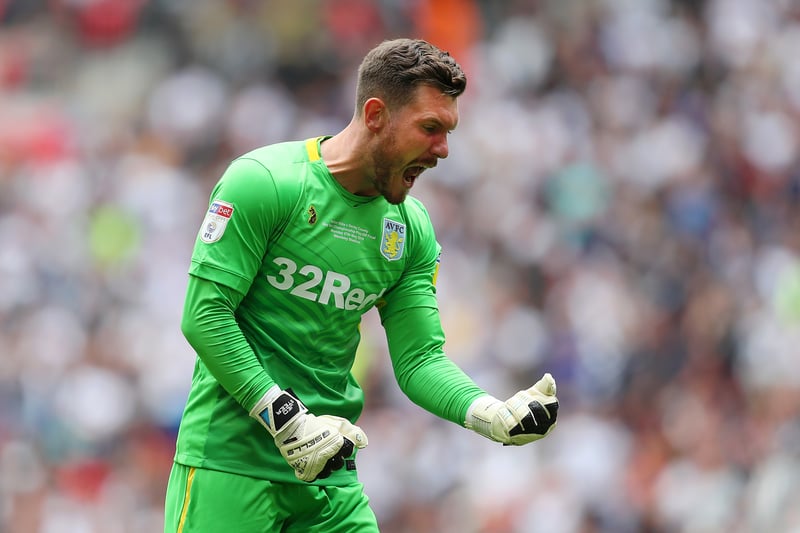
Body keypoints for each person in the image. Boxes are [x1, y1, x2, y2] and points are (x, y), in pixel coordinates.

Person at [163, 37, 559, 533]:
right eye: (430, 129)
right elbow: (205, 315)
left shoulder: (410, 229)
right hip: (230, 463)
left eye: (448, 131)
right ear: (375, 115)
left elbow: (419, 360)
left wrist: (488, 413)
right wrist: (284, 416)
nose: (442, 151)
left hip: (329, 473)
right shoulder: (264, 182)